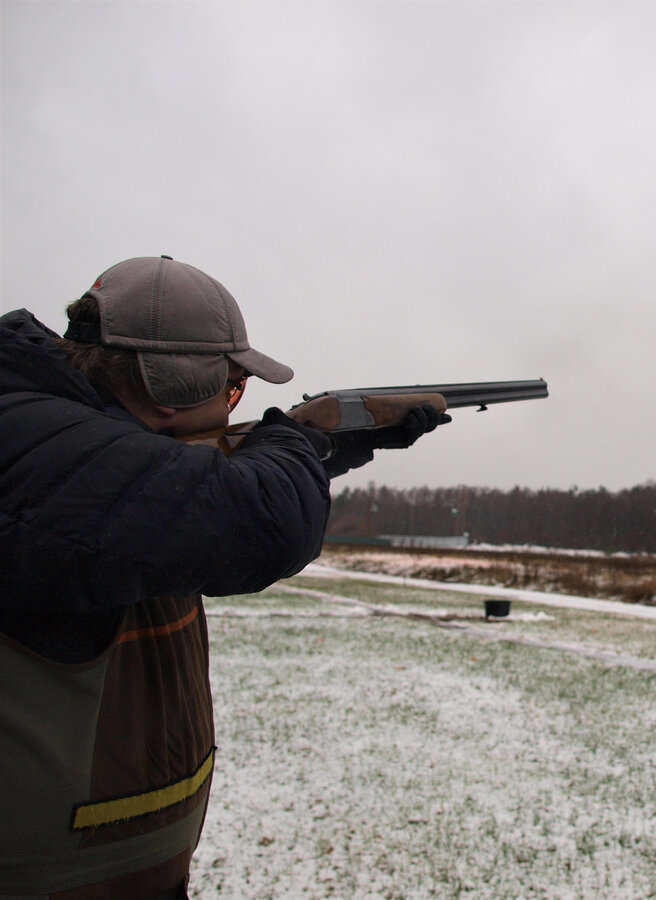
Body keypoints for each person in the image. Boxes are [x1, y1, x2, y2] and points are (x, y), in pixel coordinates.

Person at [0, 256, 442, 898]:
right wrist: (300, 436)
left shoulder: (61, 439)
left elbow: (164, 503)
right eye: (233, 387)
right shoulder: (26, 438)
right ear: (167, 388)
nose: (239, 402)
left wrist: (331, 445)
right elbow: (262, 522)